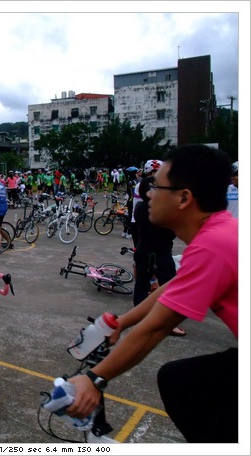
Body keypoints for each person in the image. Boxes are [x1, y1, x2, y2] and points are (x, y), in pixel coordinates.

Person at [65, 144, 238, 443]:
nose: (148, 194)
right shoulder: (220, 233)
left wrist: (95, 378)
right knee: (178, 380)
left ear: (184, 198)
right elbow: (174, 288)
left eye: (157, 186)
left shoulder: (213, 245)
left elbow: (156, 327)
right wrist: (120, 322)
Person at [132, 177, 184, 336]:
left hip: (143, 251)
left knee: (141, 284)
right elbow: (171, 232)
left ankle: (139, 318)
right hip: (160, 253)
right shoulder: (160, 209)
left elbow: (135, 228)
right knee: (169, 287)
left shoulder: (140, 207)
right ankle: (167, 324)